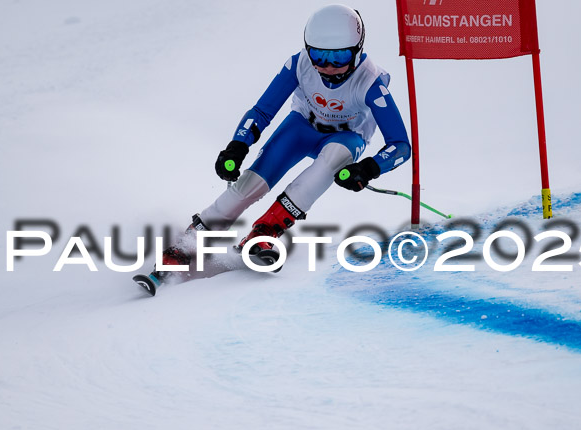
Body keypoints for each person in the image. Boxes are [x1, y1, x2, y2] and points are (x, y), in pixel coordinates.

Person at [160, 4, 410, 275]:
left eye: (339, 57)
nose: (327, 67)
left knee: (333, 159)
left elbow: (400, 145)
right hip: (301, 129)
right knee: (252, 183)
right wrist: (237, 145)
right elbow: (262, 111)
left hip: (346, 137)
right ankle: (189, 242)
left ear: (358, 49)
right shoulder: (300, 64)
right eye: (318, 55)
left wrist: (368, 169)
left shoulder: (371, 83)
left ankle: (265, 231)